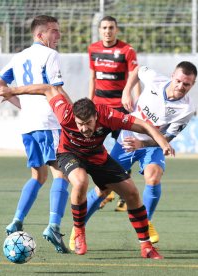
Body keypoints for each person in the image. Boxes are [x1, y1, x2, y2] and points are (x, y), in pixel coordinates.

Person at [0, 83, 176, 259]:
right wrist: (12, 91)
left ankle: (146, 246)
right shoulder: (65, 113)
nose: (84, 128)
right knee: (80, 181)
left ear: (96, 116)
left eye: (88, 123)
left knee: (132, 192)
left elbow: (142, 124)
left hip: (97, 156)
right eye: (80, 124)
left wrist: (162, 142)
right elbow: (47, 89)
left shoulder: (108, 115)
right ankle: (79, 231)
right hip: (69, 154)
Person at [81, 61, 198, 246]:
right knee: (103, 188)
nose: (181, 87)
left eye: (187, 84)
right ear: (172, 76)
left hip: (151, 144)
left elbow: (165, 138)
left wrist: (141, 143)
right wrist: (127, 91)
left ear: (192, 85)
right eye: (178, 81)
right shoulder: (155, 80)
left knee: (153, 177)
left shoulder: (187, 109)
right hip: (127, 138)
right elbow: (136, 69)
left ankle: (146, 221)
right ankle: (78, 228)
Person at [0, 15, 72, 254]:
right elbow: (55, 89)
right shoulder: (50, 55)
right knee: (62, 175)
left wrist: (21, 104)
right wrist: (74, 115)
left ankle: (16, 220)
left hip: (28, 126)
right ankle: (54, 226)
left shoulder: (18, 57)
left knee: (38, 176)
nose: (58, 35)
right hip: (49, 122)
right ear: (40, 35)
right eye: (53, 31)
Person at [88, 15, 141, 212]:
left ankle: (125, 193)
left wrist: (137, 105)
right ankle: (105, 189)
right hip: (100, 109)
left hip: (120, 109)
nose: (107, 31)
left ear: (116, 30)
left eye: (111, 27)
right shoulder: (93, 49)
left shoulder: (127, 50)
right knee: (94, 151)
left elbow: (136, 77)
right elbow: (92, 78)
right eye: (104, 28)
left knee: (126, 150)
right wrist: (89, 102)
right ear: (100, 30)